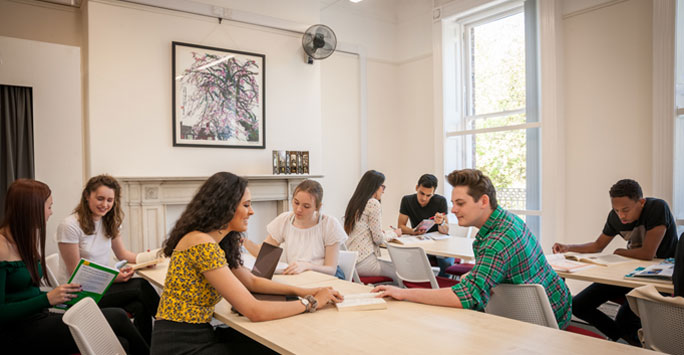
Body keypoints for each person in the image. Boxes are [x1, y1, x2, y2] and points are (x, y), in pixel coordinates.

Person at [150, 172, 342, 354]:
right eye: (246, 205)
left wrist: (305, 292)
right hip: (182, 345)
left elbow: (251, 281)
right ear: (226, 207)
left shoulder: (214, 241)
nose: (251, 212)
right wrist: (310, 302)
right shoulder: (202, 244)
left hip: (190, 335)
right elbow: (254, 310)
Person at [374, 169, 572, 329]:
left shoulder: (496, 242)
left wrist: (403, 293)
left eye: (460, 203)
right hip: (540, 309)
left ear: (483, 201)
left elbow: (467, 296)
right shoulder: (506, 222)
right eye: (453, 203)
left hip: (544, 319)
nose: (453, 210)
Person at [0, 179, 148, 354]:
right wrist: (47, 298)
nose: (51, 212)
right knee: (119, 317)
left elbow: (27, 292)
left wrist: (55, 295)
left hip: (39, 316)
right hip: (19, 331)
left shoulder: (25, 239)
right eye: (48, 207)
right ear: (31, 208)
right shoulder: (2, 247)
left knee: (122, 342)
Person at [552, 179, 678, 344]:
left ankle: (630, 343)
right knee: (578, 305)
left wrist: (620, 252)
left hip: (658, 278)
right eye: (616, 210)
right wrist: (568, 247)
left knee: (625, 321)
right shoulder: (615, 217)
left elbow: (648, 253)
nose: (621, 216)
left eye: (625, 210)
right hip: (630, 275)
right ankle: (625, 342)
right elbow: (598, 246)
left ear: (641, 202)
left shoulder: (657, 208)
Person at [56, 174, 160, 344]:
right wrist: (114, 277)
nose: (105, 205)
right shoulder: (70, 226)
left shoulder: (109, 222)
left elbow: (124, 255)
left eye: (110, 200)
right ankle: (173, 325)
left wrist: (148, 259)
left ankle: (149, 348)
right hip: (80, 293)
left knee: (140, 307)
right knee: (141, 286)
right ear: (87, 196)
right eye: (100, 198)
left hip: (101, 286)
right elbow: (76, 273)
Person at [244, 180, 348, 278]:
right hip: (299, 277)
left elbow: (331, 269)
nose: (298, 209)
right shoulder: (285, 220)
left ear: (317, 207)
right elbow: (264, 254)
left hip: (326, 277)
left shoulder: (329, 224)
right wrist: (243, 241)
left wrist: (307, 266)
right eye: (296, 202)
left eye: (306, 206)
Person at [343, 170, 400, 280]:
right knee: (403, 271)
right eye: (382, 186)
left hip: (352, 263)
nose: (383, 191)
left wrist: (384, 233)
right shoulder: (373, 203)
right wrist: (394, 234)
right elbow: (378, 239)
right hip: (365, 262)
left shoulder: (355, 202)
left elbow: (365, 230)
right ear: (375, 186)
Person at [398, 174, 453, 275]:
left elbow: (446, 230)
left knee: (445, 262)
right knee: (414, 261)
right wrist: (413, 231)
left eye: (429, 195)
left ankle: (442, 287)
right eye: (421, 193)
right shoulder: (407, 200)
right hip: (420, 241)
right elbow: (400, 226)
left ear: (434, 193)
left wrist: (441, 222)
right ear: (416, 188)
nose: (424, 198)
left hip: (439, 242)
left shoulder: (440, 201)